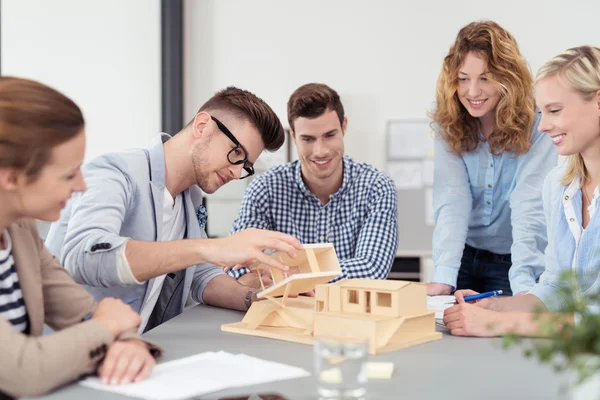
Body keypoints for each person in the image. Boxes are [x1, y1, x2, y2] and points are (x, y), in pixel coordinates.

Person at [45, 87, 302, 333]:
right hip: (70, 355)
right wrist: (212, 248)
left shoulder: (191, 198)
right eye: (236, 153)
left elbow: (201, 274)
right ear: (202, 126)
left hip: (133, 351)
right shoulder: (115, 172)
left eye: (246, 165)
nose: (237, 172)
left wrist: (257, 299)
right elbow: (83, 257)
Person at [0, 77, 160, 398]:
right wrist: (107, 329)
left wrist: (128, 346)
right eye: (69, 174)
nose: (82, 186)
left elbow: (85, 312)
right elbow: (24, 371)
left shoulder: (20, 229)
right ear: (12, 177)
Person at [443, 45, 600, 337]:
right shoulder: (559, 187)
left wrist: (500, 323)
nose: (543, 126)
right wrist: (499, 307)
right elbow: (557, 289)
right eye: (542, 112)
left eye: (555, 110)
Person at [427, 21, 557, 297]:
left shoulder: (538, 122)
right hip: (462, 256)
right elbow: (453, 199)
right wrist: (444, 275)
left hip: (511, 260)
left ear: (508, 77)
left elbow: (529, 203)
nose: (472, 92)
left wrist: (523, 286)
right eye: (463, 78)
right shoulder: (448, 118)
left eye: (485, 78)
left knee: (504, 334)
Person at [225, 83, 398, 288]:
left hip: (350, 316)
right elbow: (237, 262)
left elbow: (372, 269)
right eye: (308, 139)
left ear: (344, 127)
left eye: (329, 135)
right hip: (284, 314)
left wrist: (291, 275)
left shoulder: (377, 188)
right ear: (293, 136)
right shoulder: (266, 189)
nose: (320, 151)